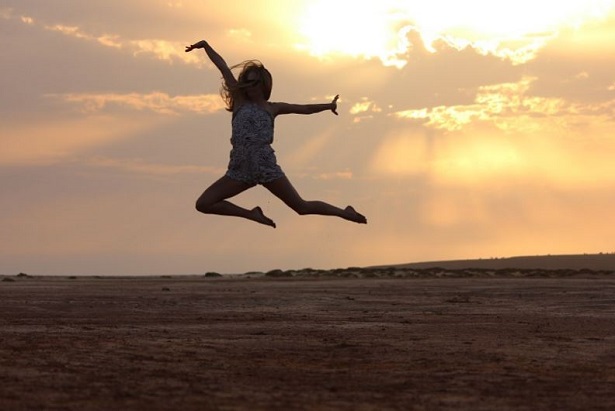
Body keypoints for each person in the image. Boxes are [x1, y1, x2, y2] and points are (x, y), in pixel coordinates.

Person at [185, 40, 367, 228]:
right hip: (240, 168)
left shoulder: (273, 108)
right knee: (204, 203)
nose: (250, 86)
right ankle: (251, 214)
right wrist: (206, 46)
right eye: (247, 82)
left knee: (301, 207)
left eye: (254, 82)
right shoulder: (240, 101)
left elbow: (304, 108)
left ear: (263, 84)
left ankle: (345, 213)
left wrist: (328, 106)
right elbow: (222, 67)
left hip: (265, 166)